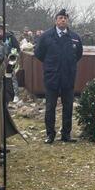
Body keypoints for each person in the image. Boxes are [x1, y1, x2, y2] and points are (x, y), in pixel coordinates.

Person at [35, 9, 83, 142]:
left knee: (68, 107)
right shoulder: (46, 36)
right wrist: (51, 65)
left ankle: (66, 134)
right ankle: (50, 134)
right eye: (60, 18)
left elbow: (78, 55)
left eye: (65, 18)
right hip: (52, 77)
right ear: (55, 20)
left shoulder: (75, 37)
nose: (63, 20)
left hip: (68, 77)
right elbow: (39, 54)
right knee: (50, 107)